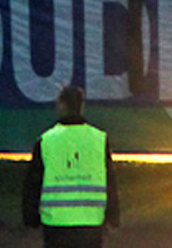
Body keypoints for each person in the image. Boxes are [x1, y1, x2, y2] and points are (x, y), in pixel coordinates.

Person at [22, 84, 119, 248]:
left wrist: (30, 216)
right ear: (82, 106)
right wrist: (113, 215)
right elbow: (110, 181)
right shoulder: (99, 140)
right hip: (91, 223)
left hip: (56, 224)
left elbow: (33, 183)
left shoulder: (46, 140)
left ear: (61, 105)